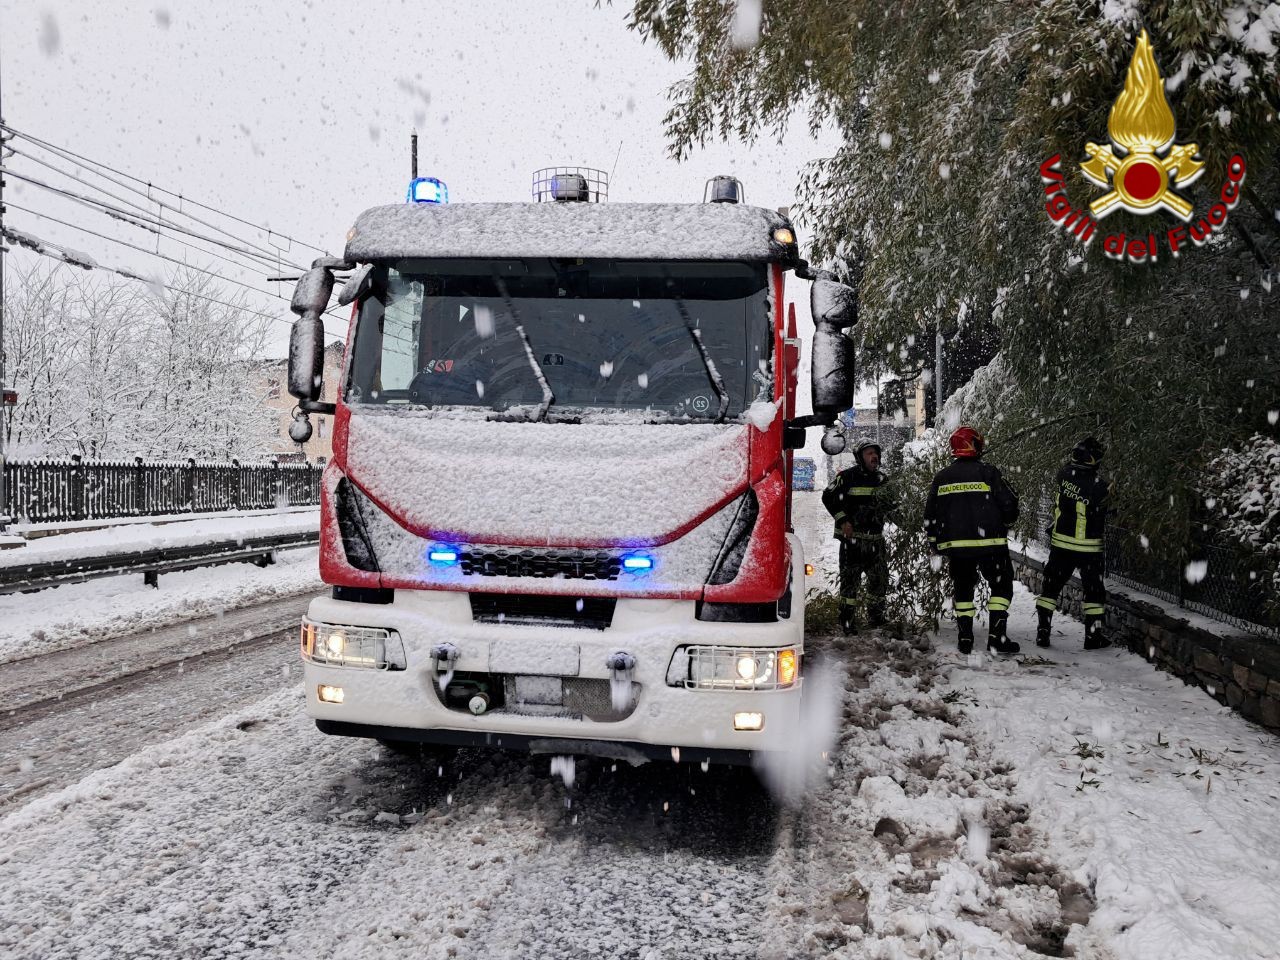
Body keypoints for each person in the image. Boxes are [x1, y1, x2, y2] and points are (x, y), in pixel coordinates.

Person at [924, 426, 1021, 655]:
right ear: (974, 445)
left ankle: (965, 637)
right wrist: (1007, 521)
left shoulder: (942, 477)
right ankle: (997, 638)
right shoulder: (988, 473)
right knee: (1001, 586)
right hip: (991, 545)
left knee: (963, 589)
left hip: (957, 549)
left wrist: (934, 543)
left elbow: (930, 513)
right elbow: (1009, 503)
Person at [1036, 436, 1112, 650]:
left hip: (1061, 546)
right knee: (1094, 593)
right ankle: (1093, 636)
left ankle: (1043, 631)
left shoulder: (1063, 475)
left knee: (1050, 588)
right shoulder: (1100, 487)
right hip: (1090, 548)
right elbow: (1109, 508)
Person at [822, 438, 896, 635]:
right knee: (850, 585)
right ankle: (848, 622)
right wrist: (843, 520)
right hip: (852, 543)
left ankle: (876, 618)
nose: (874, 457)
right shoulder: (846, 477)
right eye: (869, 453)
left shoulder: (883, 480)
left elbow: (891, 506)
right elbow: (828, 497)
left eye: (875, 453)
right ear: (859, 458)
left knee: (879, 583)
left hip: (875, 543)